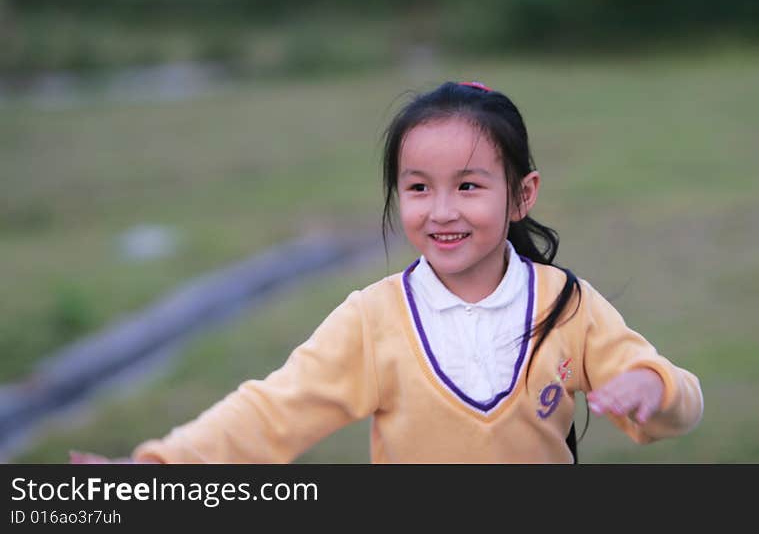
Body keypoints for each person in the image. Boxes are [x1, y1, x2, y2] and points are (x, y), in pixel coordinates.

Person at [70, 80, 703, 464]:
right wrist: (159, 464)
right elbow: (271, 412)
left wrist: (653, 389)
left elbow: (677, 402)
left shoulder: (568, 305)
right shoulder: (373, 320)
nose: (443, 210)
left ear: (522, 194)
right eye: (420, 187)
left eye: (470, 185)